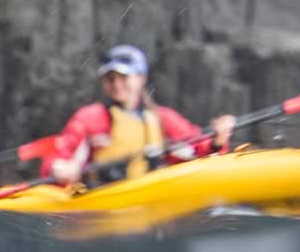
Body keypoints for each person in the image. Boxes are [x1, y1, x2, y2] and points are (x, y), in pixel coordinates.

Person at [36, 45, 231, 190]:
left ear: (141, 78)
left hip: (150, 198)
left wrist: (216, 141)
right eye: (110, 79)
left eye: (123, 77)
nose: (116, 84)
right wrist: (57, 167)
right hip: (100, 202)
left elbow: (197, 150)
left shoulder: (163, 119)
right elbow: (59, 155)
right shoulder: (89, 118)